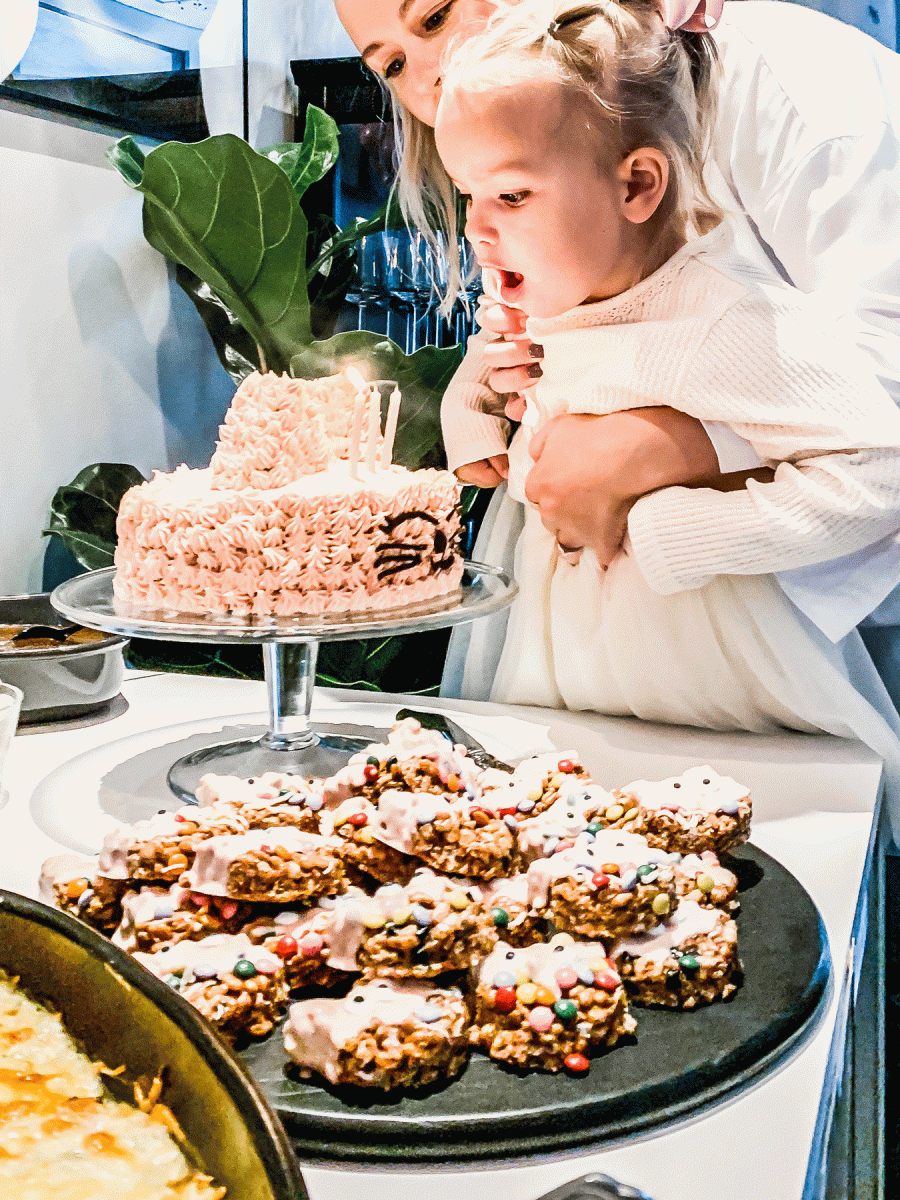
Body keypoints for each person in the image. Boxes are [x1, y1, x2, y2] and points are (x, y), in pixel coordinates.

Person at [333, 0, 900, 709]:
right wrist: (482, 390)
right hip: (575, 619)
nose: (431, 73)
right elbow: (548, 315)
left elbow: (873, 418)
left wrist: (665, 456)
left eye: (435, 17)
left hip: (733, 634)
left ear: (638, 182)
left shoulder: (799, 94)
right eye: (391, 65)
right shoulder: (538, 152)